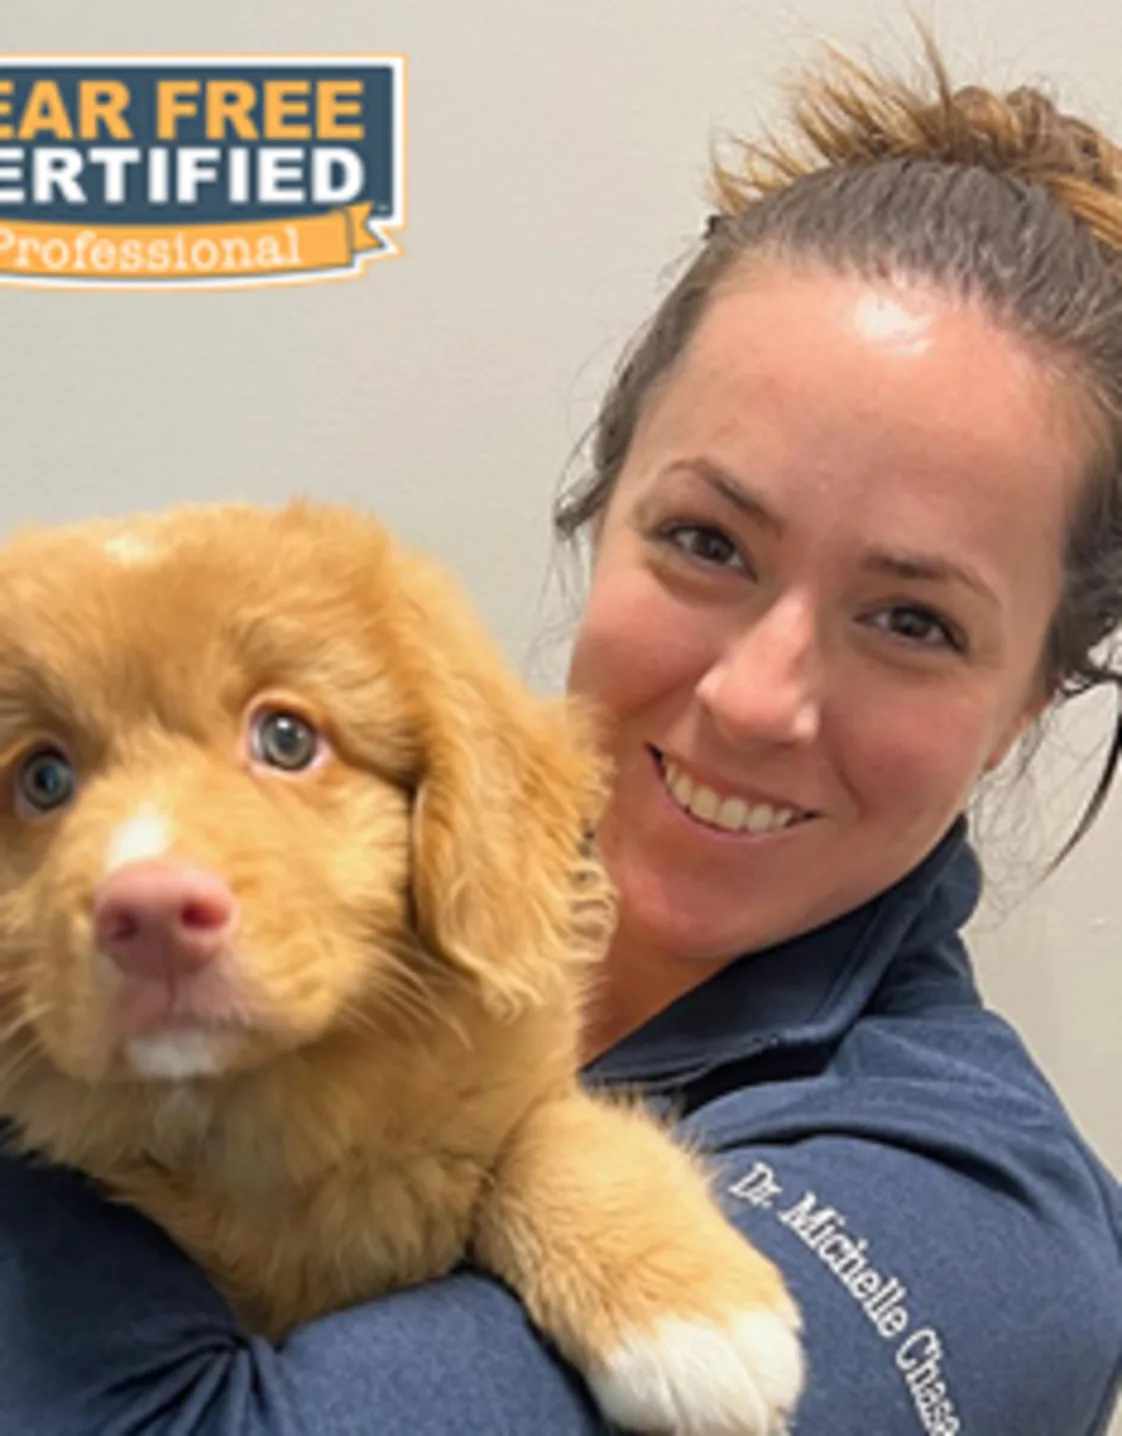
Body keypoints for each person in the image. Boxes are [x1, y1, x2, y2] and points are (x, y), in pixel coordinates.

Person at [2, 36, 1121, 1436]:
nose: (752, 699)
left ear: (1024, 705)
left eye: (912, 622)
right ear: (605, 515)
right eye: (707, 541)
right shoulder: (388, 885)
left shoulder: (981, 1218)